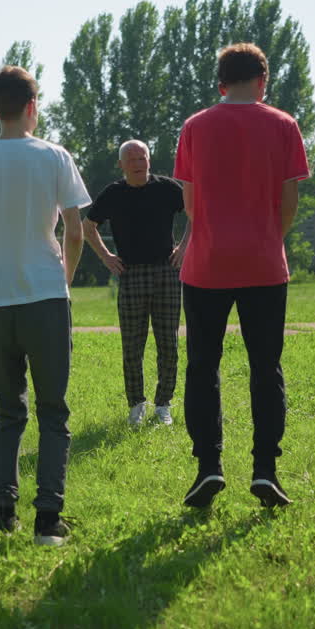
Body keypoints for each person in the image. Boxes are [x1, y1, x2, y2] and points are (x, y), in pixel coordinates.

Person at [0, 65, 91, 546]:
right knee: (53, 411)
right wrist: (63, 276)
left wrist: (1, 247)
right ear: (33, 106)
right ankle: (48, 520)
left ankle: (1, 513)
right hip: (46, 295)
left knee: (9, 412)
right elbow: (74, 232)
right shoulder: (55, 157)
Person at [173, 43, 310, 509]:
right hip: (264, 265)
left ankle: (208, 466)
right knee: (265, 368)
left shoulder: (194, 127)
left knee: (202, 367)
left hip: (207, 264)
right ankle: (265, 471)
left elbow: (190, 205)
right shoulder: (284, 124)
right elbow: (289, 202)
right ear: (263, 80)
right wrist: (270, 238)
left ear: (221, 82)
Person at [83, 140, 187, 427]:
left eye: (142, 157)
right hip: (130, 274)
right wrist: (106, 257)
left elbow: (196, 212)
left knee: (168, 343)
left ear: (149, 161)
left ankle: (163, 405)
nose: (138, 163)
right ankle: (136, 405)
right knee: (132, 346)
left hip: (167, 271)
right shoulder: (113, 194)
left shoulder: (167, 188)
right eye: (131, 159)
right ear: (121, 165)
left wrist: (185, 247)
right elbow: (87, 226)